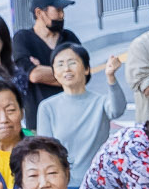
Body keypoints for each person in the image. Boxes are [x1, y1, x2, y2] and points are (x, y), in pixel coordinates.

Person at [37, 45, 128, 176]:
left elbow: (117, 110)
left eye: (72, 63)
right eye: (60, 64)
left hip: (98, 180)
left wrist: (111, 77)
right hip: (64, 182)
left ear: (86, 69)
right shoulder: (47, 107)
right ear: (55, 73)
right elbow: (45, 150)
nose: (66, 69)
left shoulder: (100, 102)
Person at [15, 0, 80, 130]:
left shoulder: (70, 38)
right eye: (57, 10)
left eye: (63, 10)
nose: (62, 15)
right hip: (39, 122)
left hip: (73, 117)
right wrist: (68, 75)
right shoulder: (23, 38)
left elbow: (83, 75)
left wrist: (43, 71)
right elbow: (33, 75)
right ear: (39, 13)